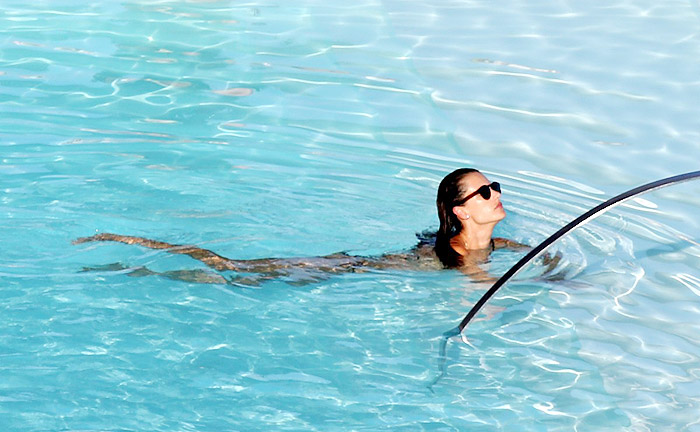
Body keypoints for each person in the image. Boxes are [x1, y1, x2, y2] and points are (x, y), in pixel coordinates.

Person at [74, 168, 535, 285]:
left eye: (494, 185)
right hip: (344, 269)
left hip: (347, 272)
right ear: (461, 211)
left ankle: (146, 271)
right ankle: (133, 252)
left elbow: (545, 262)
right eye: (485, 192)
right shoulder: (462, 254)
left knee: (238, 279)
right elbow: (477, 282)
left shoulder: (501, 244)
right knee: (233, 270)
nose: (497, 195)